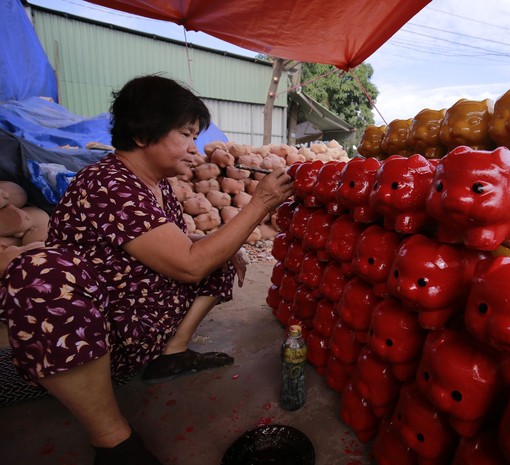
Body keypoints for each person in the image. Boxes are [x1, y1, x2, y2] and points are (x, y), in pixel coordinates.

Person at [0, 74, 293, 465]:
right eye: (186, 135)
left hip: (142, 312)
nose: (194, 148)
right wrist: (260, 205)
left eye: (195, 137)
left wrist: (221, 247)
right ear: (142, 135)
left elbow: (187, 249)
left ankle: (170, 352)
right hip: (95, 331)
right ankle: (113, 441)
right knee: (40, 273)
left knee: (221, 252)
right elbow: (189, 268)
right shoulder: (107, 183)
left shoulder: (156, 185)